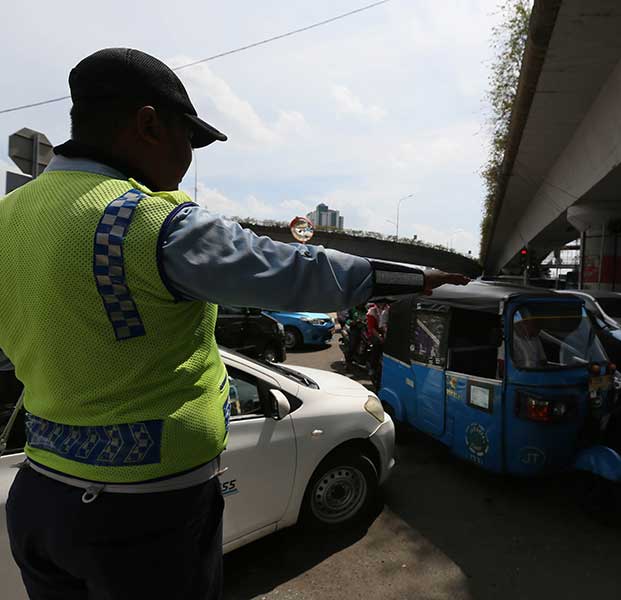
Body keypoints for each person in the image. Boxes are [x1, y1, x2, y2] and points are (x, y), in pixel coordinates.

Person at [0, 47, 469, 600]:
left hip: (37, 496)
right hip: (144, 514)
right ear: (148, 124)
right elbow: (295, 271)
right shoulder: (148, 221)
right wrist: (415, 280)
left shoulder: (9, 218)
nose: (188, 159)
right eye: (189, 141)